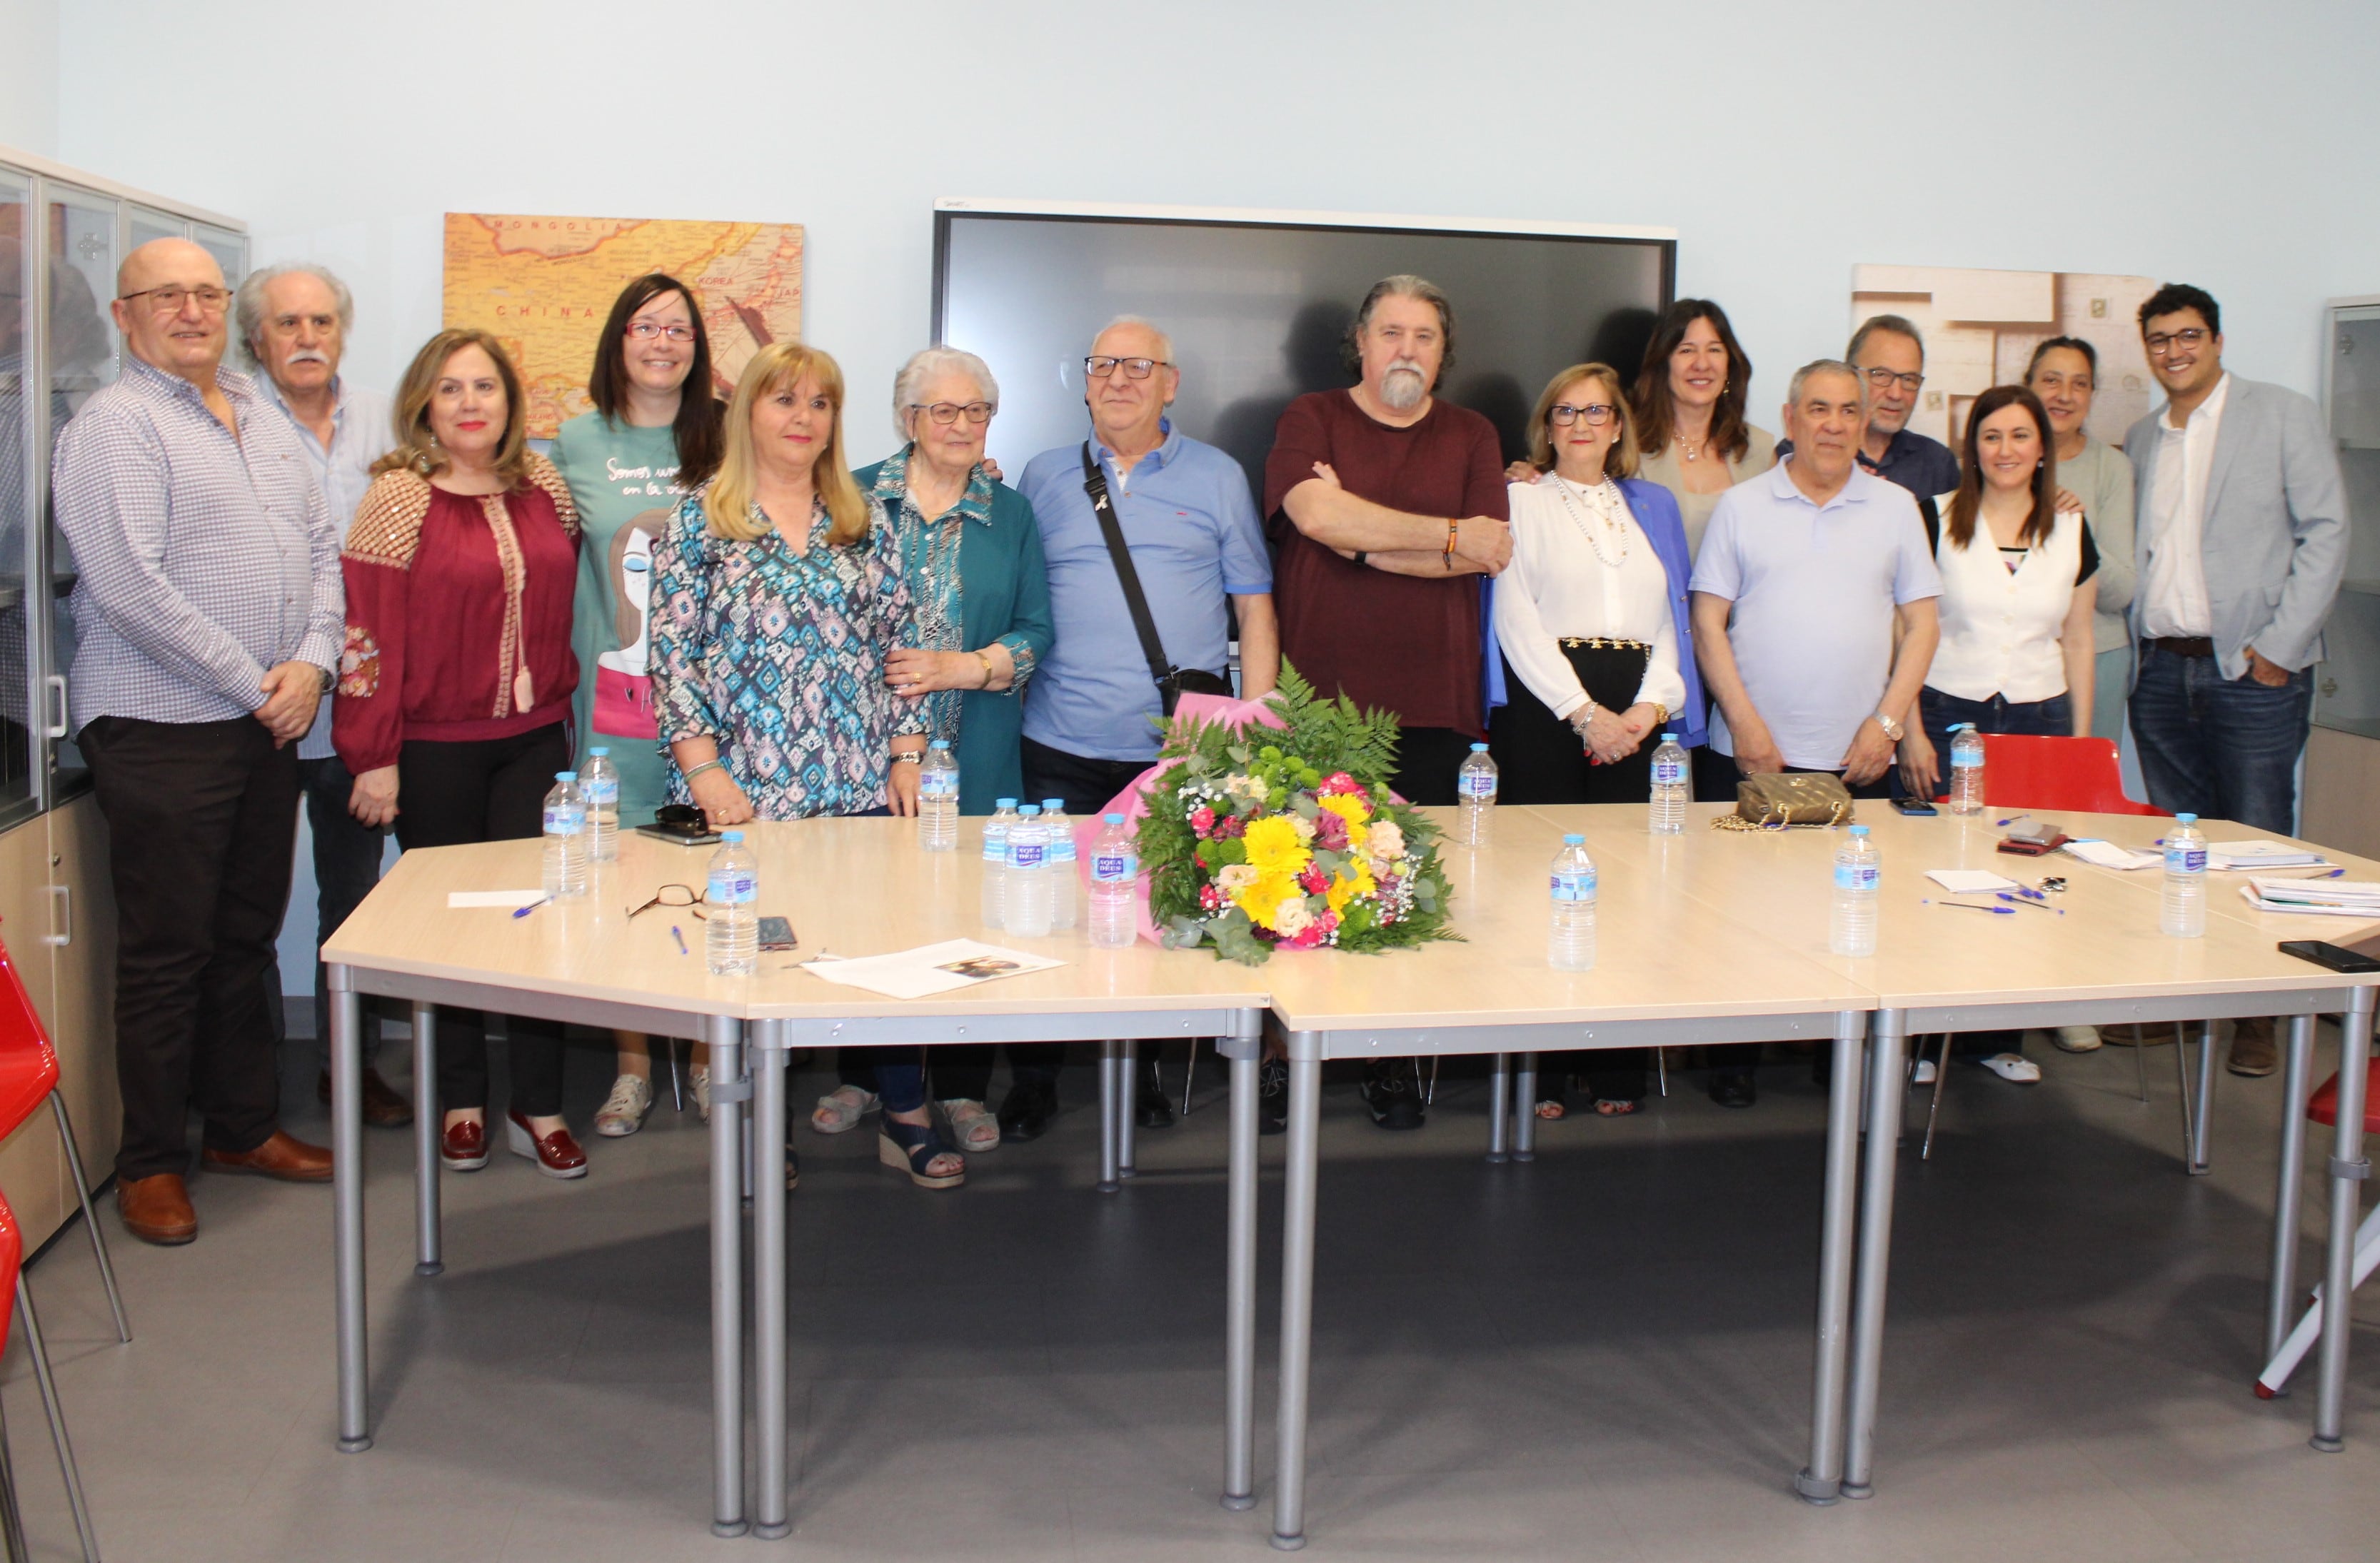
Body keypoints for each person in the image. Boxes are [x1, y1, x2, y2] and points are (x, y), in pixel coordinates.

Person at [51, 238, 339, 1245]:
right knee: (167, 952)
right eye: (164, 296)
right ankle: (149, 1164)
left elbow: (318, 552)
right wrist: (253, 681)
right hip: (164, 722)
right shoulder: (112, 428)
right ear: (126, 316)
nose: (190, 310)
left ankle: (243, 1128)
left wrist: (310, 661)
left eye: (205, 293)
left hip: (267, 718)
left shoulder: (261, 422)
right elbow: (128, 585)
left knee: (245, 934)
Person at [648, 343, 957, 1188]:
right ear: (749, 409)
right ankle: (761, 1127)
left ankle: (904, 1112)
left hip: (855, 780)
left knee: (879, 951)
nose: (802, 418)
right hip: (740, 791)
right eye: (785, 400)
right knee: (756, 962)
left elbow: (904, 649)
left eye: (820, 404)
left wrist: (906, 753)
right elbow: (673, 662)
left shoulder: (866, 520)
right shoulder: (700, 518)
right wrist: (706, 773)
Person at [335, 328, 589, 1181]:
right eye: (451, 388)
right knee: (450, 931)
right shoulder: (399, 498)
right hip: (433, 745)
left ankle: (540, 1102)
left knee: (535, 919)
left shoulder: (545, 486)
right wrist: (373, 753)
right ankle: (462, 1100)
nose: (471, 403)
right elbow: (367, 634)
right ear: (425, 404)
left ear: (512, 404)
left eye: (486, 386)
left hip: (533, 742)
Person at [1020, 317, 1280, 1138]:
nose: (1120, 379)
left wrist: (1255, 725)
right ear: (1085, 381)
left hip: (1177, 750)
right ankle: (1033, 1082)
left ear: (1171, 382)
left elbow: (1254, 604)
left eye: (1141, 366)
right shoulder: (1042, 474)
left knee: (1157, 923)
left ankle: (1141, 1075)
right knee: (1049, 917)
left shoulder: (1218, 475)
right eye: (1104, 365)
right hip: (1058, 739)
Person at [1264, 276, 1508, 1132]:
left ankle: (1390, 1058)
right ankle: (1283, 1058)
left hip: (1434, 704)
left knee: (1405, 890)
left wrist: (1359, 538)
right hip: (1320, 700)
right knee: (1297, 882)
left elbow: (1487, 550)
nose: (1407, 348)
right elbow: (1312, 510)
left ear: (1445, 352)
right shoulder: (1312, 417)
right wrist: (1439, 531)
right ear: (1361, 344)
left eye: (1426, 336)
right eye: (1392, 332)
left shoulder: (1473, 433)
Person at [798, 346, 1052, 1155]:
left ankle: (964, 1083)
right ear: (909, 419)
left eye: (976, 410)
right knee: (871, 912)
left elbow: (1039, 631)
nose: (962, 425)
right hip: (863, 749)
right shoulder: (849, 496)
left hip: (978, 747)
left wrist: (967, 667)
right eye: (944, 410)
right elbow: (823, 622)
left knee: (969, 916)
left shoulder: (1009, 512)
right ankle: (871, 1074)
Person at [1688, 359, 1942, 1107]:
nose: (1834, 424)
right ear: (1791, 417)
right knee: (1740, 914)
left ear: (1865, 422)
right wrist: (1744, 723)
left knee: (1853, 914)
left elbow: (1923, 624)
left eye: (1849, 411)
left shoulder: (1897, 507)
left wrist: (1888, 725)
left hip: (1858, 756)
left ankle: (1845, 1056)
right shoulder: (1741, 505)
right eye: (1819, 409)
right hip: (1753, 750)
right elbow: (1708, 619)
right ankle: (1734, 1055)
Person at [2124, 283, 2347, 1078]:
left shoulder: (2280, 413)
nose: (2174, 351)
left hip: (2252, 671)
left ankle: (2260, 1013)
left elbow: (2327, 531)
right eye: (2159, 340)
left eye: (2187, 336)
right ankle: (2190, 1000)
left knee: (2258, 840)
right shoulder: (2144, 436)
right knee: (2186, 845)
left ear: (2216, 339)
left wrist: (2280, 647)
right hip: (2162, 671)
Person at [1491, 363, 1699, 1118]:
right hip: (1548, 705)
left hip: (1637, 711)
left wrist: (1643, 717)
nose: (1581, 425)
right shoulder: (1519, 499)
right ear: (1548, 426)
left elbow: (1670, 622)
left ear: (1619, 427)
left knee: (1631, 894)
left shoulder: (1648, 506)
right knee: (1537, 890)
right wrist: (1585, 714)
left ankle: (1615, 1068)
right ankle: (1540, 1073)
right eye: (1566, 412)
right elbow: (1515, 621)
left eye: (1597, 413)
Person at [234, 261, 411, 1130]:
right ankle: (247, 1078)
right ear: (256, 339)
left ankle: (352, 1067)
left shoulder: (388, 417)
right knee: (250, 902)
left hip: (363, 706)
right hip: (260, 700)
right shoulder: (226, 420)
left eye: (321, 322)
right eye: (288, 324)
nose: (307, 338)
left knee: (354, 895)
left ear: (342, 330)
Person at [553, 273, 724, 1139]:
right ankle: (632, 1064)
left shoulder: (730, 433)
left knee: (710, 875)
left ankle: (702, 1056)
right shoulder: (574, 441)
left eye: (680, 329)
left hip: (719, 709)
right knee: (623, 880)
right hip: (613, 706)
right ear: (617, 339)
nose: (663, 342)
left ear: (698, 346)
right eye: (645, 326)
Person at [1894, 384, 2099, 1086]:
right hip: (1948, 709)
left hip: (2040, 716)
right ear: (1972, 447)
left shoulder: (2073, 527)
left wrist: (2078, 745)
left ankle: (1996, 1037)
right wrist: (1907, 731)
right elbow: (1907, 628)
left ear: (2043, 447)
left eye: (2019, 436)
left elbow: (2078, 639)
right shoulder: (1936, 516)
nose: (2005, 450)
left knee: (2020, 875)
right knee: (1939, 873)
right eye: (1991, 436)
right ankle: (1924, 1041)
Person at [2025, 338, 2137, 748]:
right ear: (2029, 386)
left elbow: (2121, 591)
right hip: (2017, 656)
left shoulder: (2113, 468)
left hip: (2099, 656)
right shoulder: (2000, 461)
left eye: (2080, 384)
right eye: (2052, 381)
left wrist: (2075, 529)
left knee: (2081, 796)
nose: (2065, 396)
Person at [1627, 300, 1779, 558]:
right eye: (1686, 351)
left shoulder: (1760, 451)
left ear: (1729, 364)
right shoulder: (1629, 450)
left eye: (1715, 350)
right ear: (1664, 365)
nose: (1702, 364)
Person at [1778, 316, 1963, 502]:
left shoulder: (1936, 462)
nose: (1896, 394)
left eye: (1908, 379)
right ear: (1851, 375)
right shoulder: (1800, 450)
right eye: (1881, 375)